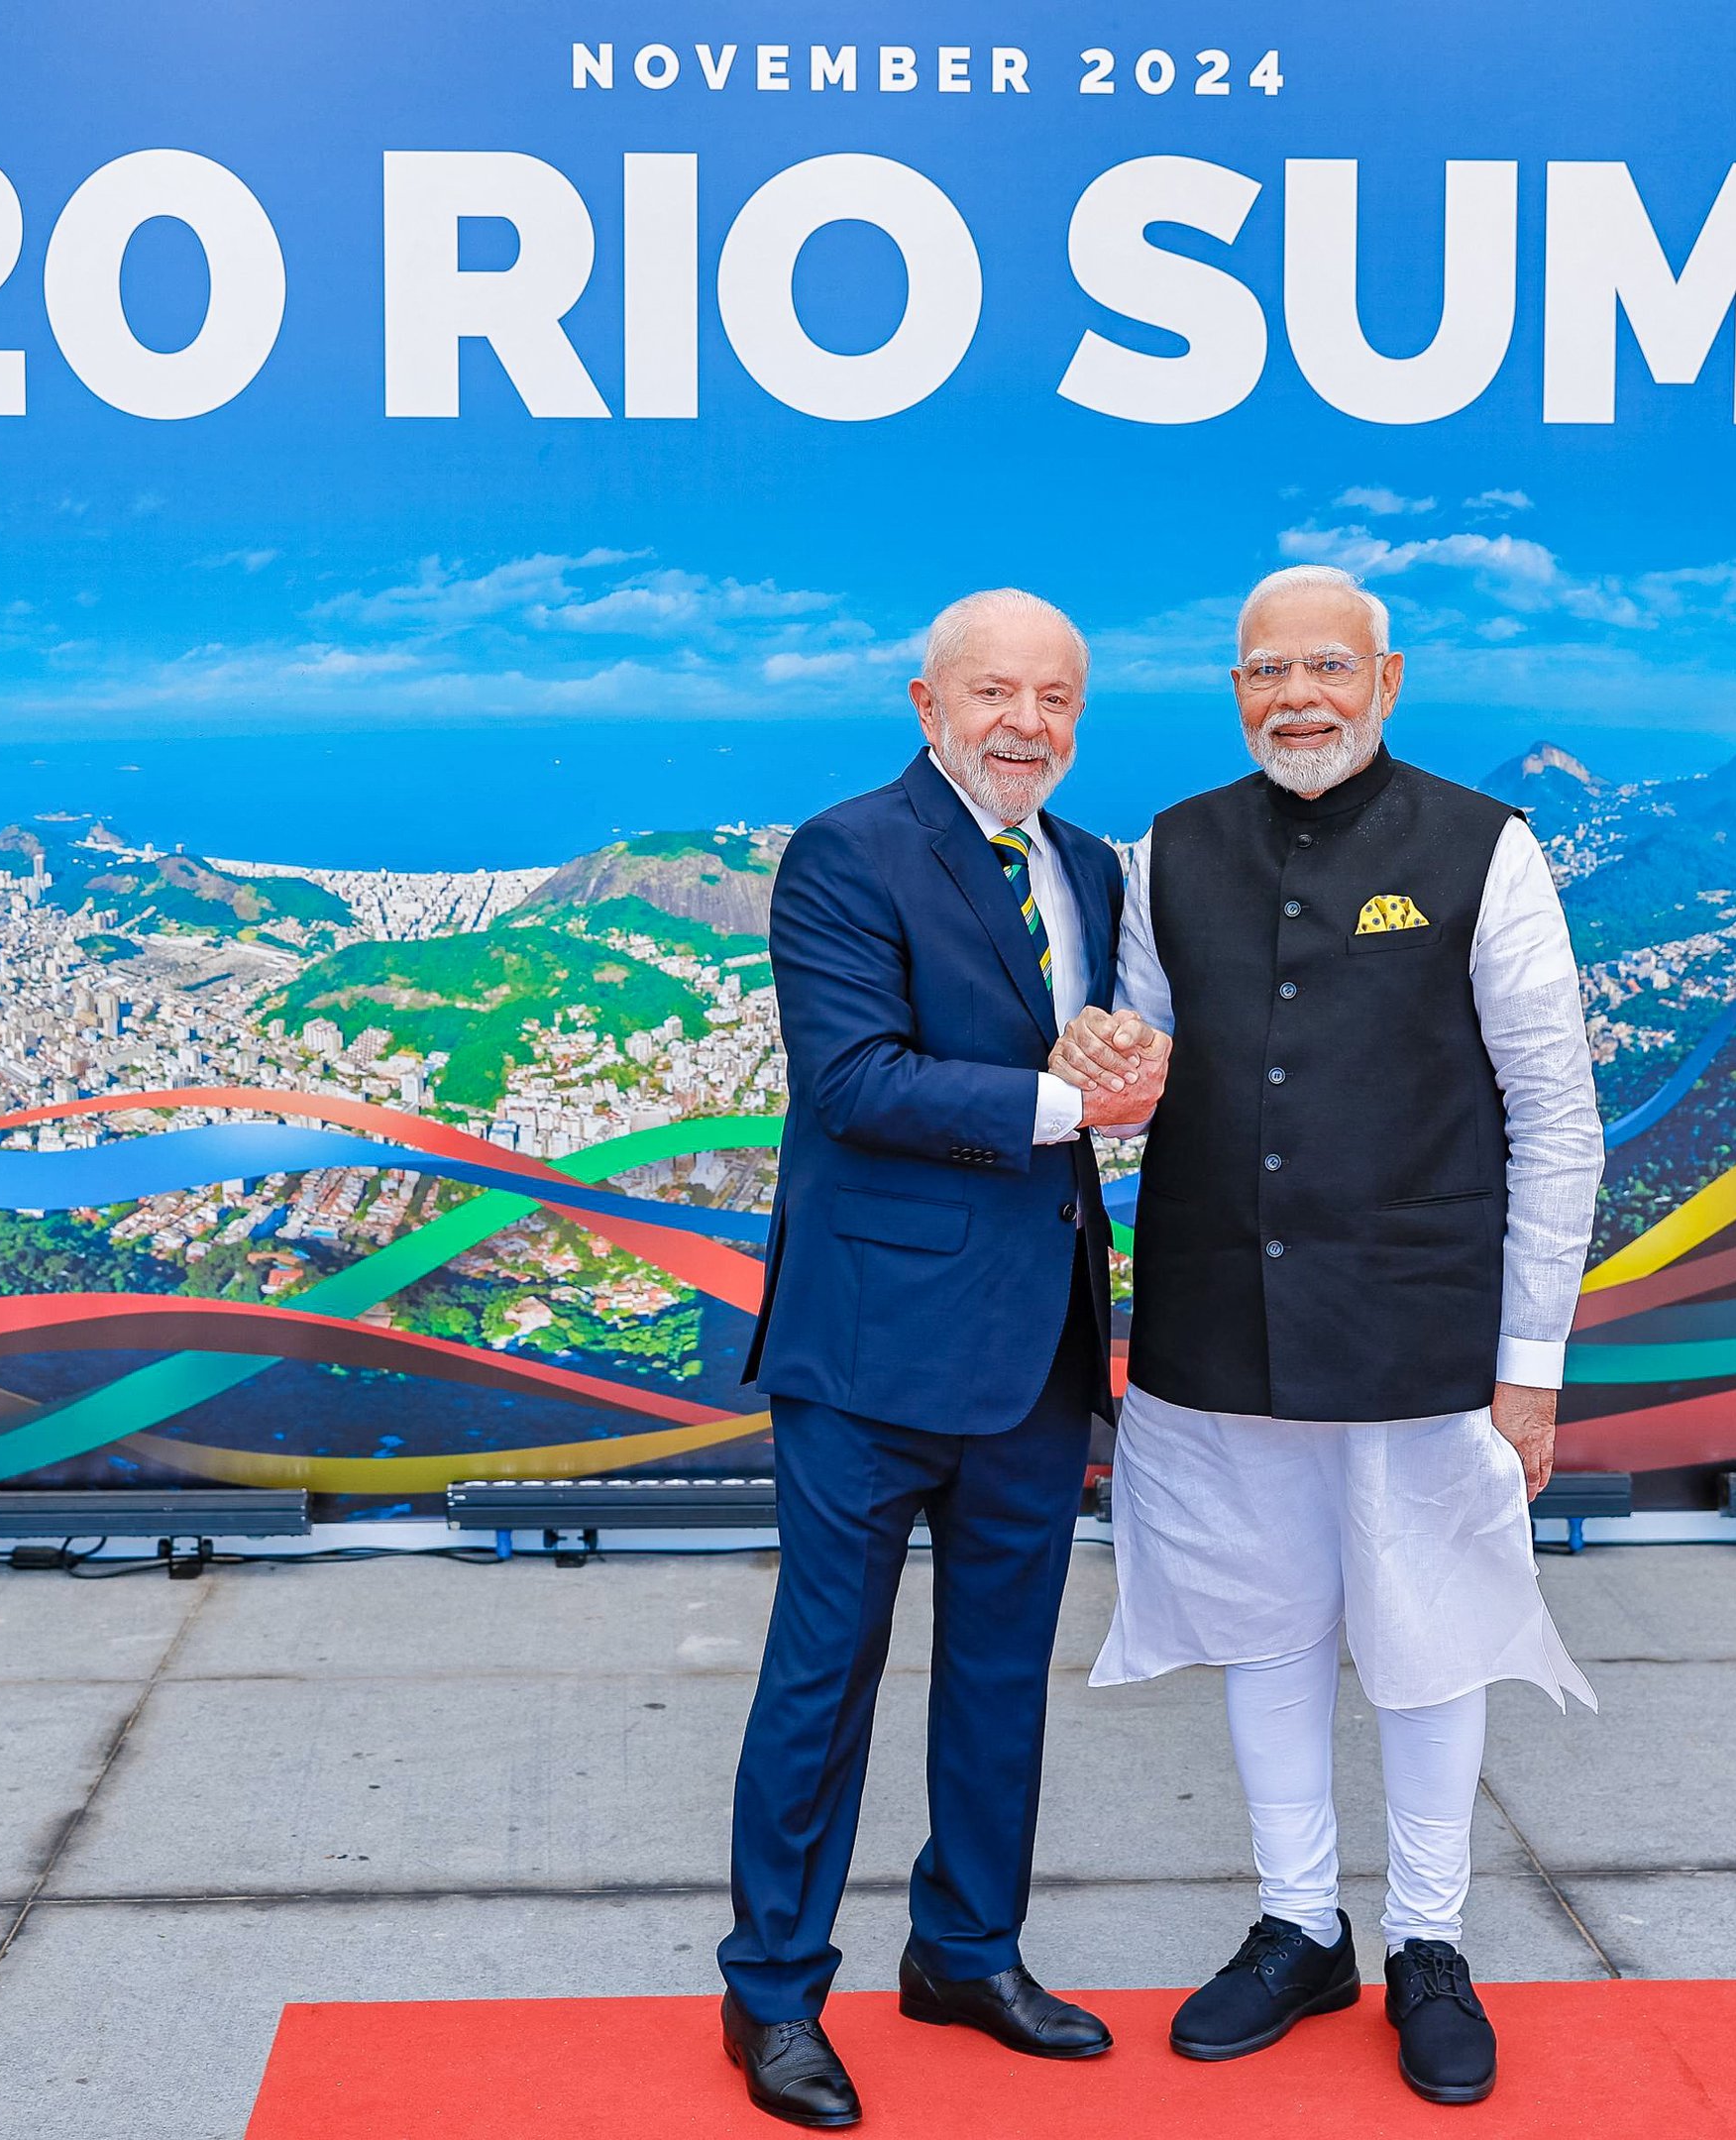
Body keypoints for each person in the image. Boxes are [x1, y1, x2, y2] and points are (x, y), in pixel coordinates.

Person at [1053, 561, 1601, 2108]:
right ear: (1234, 690)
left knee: (1427, 1643)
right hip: (1217, 1320)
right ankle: (1299, 1923)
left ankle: (1428, 1942)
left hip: (1423, 1327)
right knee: (1261, 1625)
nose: (1293, 696)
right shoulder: (1169, 853)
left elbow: (1555, 1118)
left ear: (1385, 678)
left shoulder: (1485, 850)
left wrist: (1531, 1366)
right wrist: (1098, 1057)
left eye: (1323, 667)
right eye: (1259, 672)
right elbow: (1145, 1076)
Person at [719, 588, 1158, 2129]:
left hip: (1034, 1354)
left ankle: (965, 1952)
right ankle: (772, 1993)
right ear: (925, 701)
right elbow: (852, 1083)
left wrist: (1134, 1070)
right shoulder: (845, 852)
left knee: (995, 1681)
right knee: (820, 1682)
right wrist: (1070, 1108)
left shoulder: (1094, 867)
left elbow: (1097, 1047)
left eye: (1054, 696)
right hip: (865, 1356)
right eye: (993, 692)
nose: (1024, 721)